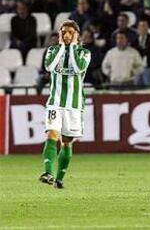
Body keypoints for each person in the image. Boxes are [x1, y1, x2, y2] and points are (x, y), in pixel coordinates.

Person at [39, 20, 91, 189]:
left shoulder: (84, 53)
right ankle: (48, 172)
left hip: (74, 105)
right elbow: (49, 67)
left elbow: (77, 68)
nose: (66, 35)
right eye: (63, 32)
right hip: (55, 103)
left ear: (77, 35)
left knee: (67, 142)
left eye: (70, 32)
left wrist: (72, 47)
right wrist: (62, 47)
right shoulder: (53, 50)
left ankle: (59, 178)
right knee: (52, 135)